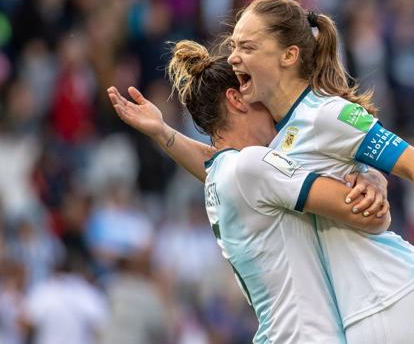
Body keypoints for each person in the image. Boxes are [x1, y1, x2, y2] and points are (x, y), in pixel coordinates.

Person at [108, 49, 391, 344]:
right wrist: (371, 177)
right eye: (262, 97)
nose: (275, 110)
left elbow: (212, 159)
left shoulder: (222, 172)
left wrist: (164, 133)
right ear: (236, 99)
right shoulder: (251, 166)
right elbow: (370, 213)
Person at [226, 0, 414, 343]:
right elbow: (224, 171)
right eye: (233, 45)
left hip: (381, 300)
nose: (233, 57)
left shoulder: (326, 113)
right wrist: (164, 134)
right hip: (391, 293)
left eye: (247, 46)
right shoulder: (279, 137)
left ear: (288, 55)